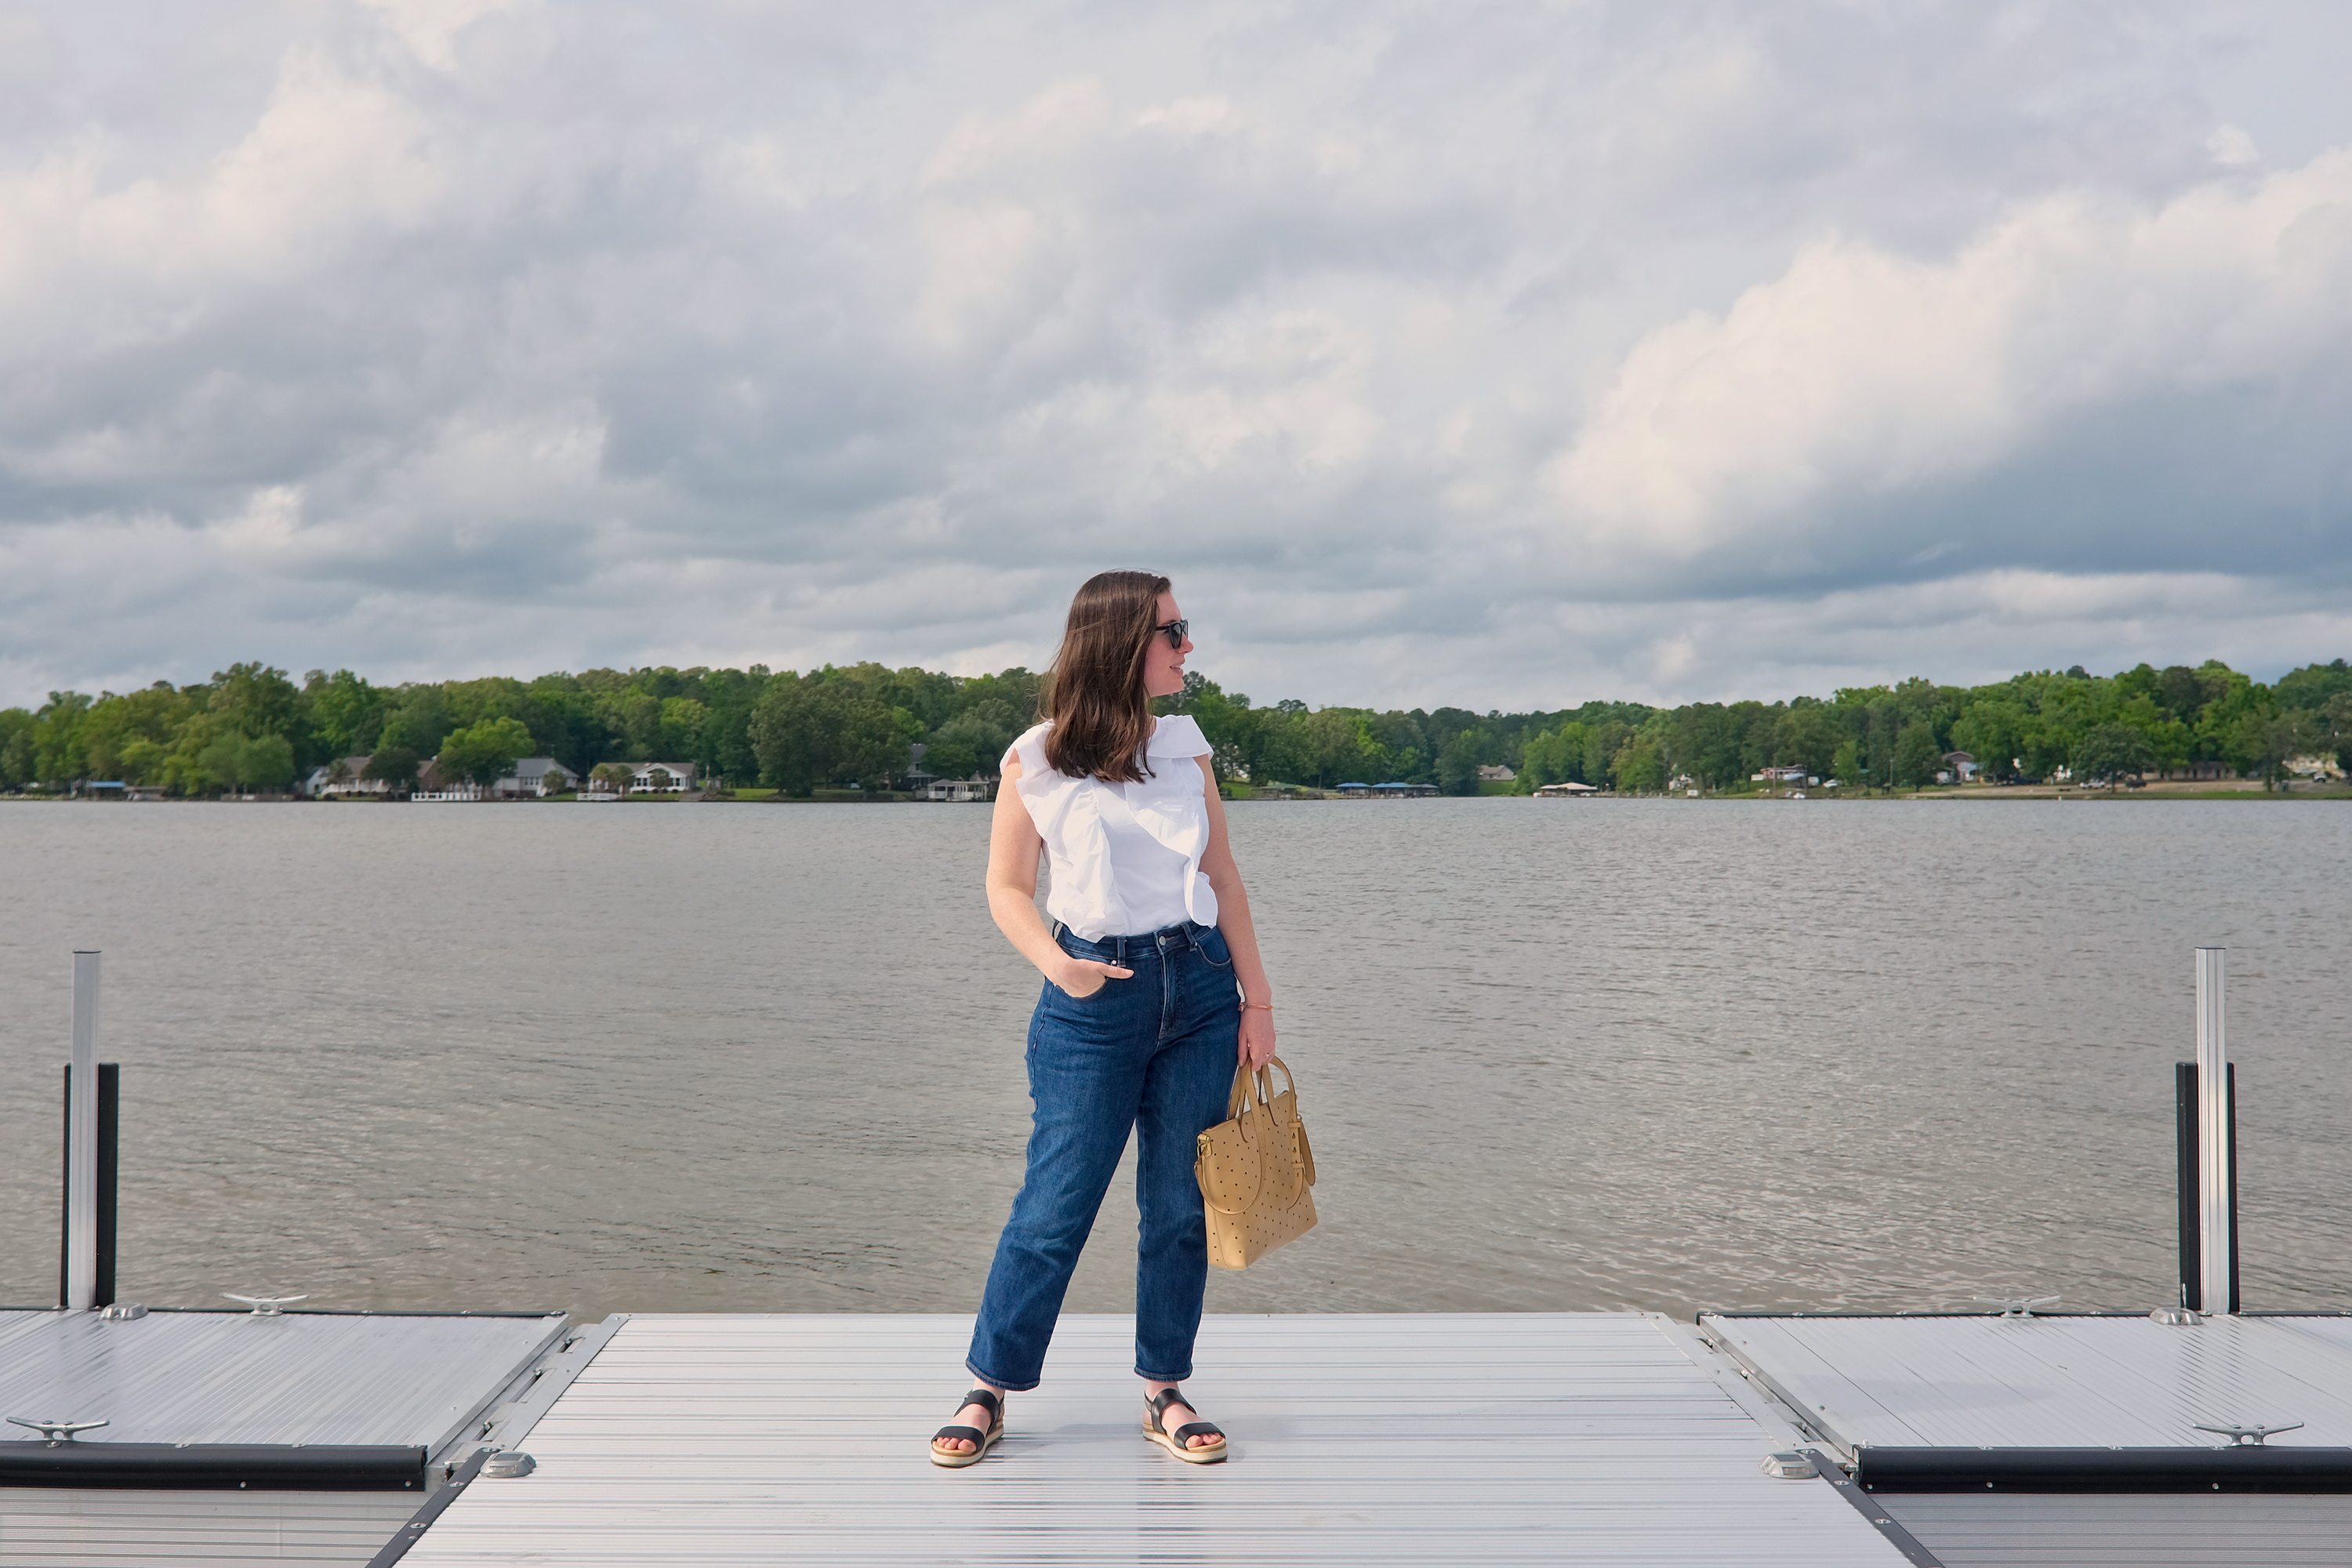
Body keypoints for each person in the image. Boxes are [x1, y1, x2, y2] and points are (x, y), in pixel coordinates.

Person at [930, 570, 1279, 1468]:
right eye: (1174, 630)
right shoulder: (1036, 757)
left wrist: (1258, 1002)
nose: (1187, 645)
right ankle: (989, 1386)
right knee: (1054, 1205)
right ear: (1122, 640)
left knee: (1178, 1207)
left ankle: (1165, 1387)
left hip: (1199, 988)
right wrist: (1057, 964)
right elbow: (1006, 887)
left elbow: (1226, 878)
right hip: (1092, 996)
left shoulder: (1188, 747)